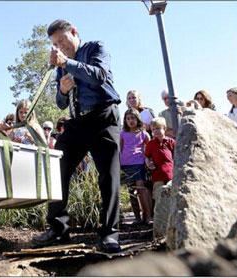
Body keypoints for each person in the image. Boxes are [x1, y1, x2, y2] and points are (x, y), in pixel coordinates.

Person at [31, 19, 122, 253]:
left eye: (62, 40)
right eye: (55, 44)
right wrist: (62, 90)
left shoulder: (95, 48)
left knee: (108, 177)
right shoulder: (62, 65)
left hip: (103, 117)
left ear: (74, 32)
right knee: (56, 168)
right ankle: (58, 228)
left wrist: (68, 63)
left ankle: (110, 233)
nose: (60, 46)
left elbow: (100, 75)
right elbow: (60, 103)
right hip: (77, 122)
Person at [120, 109, 152, 225]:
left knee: (141, 189)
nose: (130, 121)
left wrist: (148, 161)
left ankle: (147, 216)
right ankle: (137, 218)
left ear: (137, 119)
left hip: (139, 163)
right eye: (128, 118)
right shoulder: (122, 134)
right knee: (131, 191)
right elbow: (120, 149)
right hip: (125, 164)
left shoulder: (143, 133)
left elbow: (150, 148)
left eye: (132, 118)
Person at [144, 117, 175, 198]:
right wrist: (148, 164)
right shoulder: (151, 144)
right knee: (158, 194)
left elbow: (175, 155)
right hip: (157, 173)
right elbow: (146, 156)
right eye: (153, 129)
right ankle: (158, 210)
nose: (155, 131)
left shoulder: (170, 141)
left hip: (170, 173)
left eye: (157, 128)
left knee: (172, 193)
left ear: (164, 128)